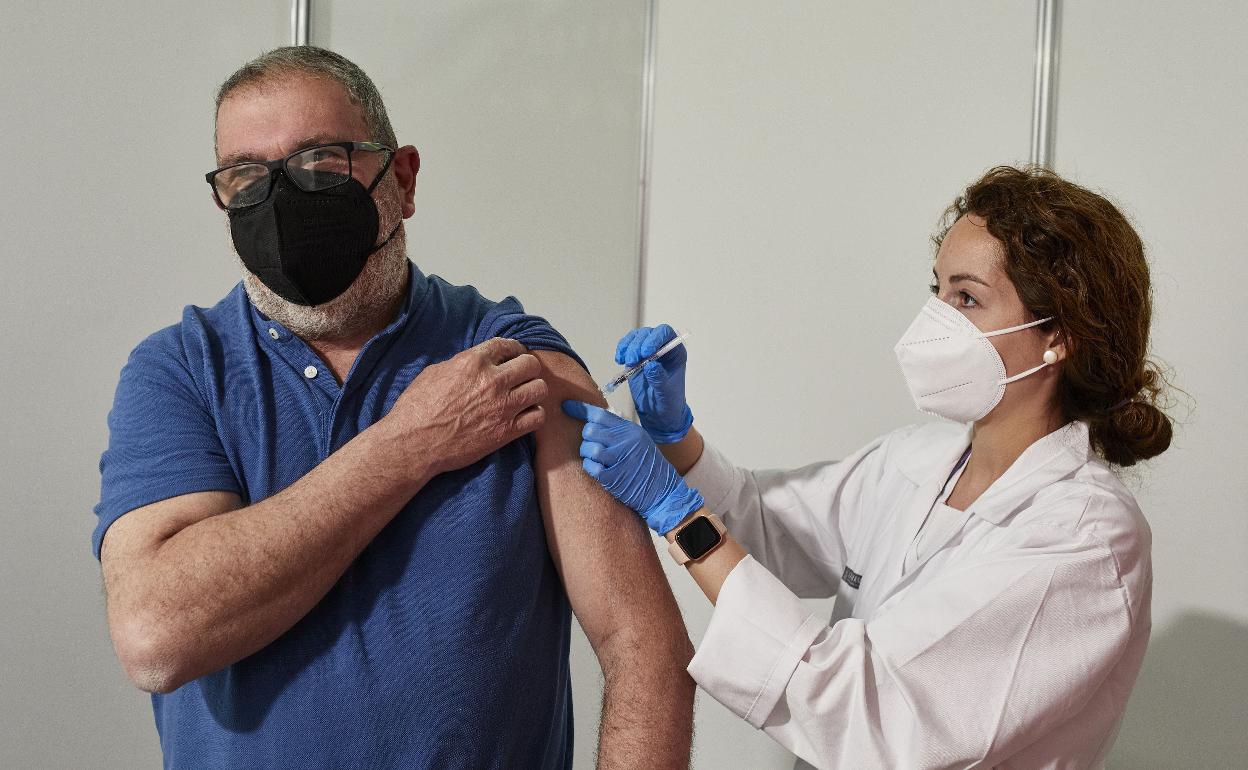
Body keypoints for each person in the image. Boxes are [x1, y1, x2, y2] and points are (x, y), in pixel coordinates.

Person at [92, 46, 694, 769]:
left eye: (322, 162)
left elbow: (644, 642)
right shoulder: (182, 372)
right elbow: (156, 636)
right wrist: (410, 443)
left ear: (401, 179)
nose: (284, 202)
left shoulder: (512, 362)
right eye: (248, 177)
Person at [564, 166, 1172, 768]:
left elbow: (869, 715)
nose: (933, 321)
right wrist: (676, 438)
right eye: (936, 290)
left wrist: (680, 516)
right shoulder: (916, 460)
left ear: (1057, 335)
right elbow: (769, 526)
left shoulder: (1086, 539)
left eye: (966, 297)